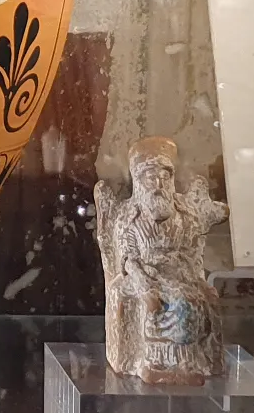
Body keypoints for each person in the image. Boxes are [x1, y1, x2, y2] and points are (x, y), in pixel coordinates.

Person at [94, 137, 229, 382]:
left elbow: (190, 251)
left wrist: (189, 275)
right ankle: (154, 362)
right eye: (150, 178)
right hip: (141, 274)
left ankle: (186, 364)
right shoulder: (129, 217)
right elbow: (127, 259)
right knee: (169, 302)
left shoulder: (182, 215)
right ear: (139, 181)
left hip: (177, 273)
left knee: (195, 299)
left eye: (164, 177)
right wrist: (144, 284)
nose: (158, 184)